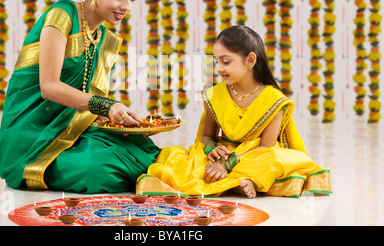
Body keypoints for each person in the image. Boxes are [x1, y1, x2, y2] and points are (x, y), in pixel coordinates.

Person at [0, 0, 161, 193]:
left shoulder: (105, 39)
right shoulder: (62, 15)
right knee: (97, 169)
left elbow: (85, 99)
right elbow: (49, 87)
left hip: (70, 126)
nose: (126, 7)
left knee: (144, 148)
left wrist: (115, 118)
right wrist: (107, 106)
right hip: (30, 135)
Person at [137, 25, 332, 198]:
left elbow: (266, 147)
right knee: (174, 157)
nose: (219, 69)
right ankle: (240, 183)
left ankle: (241, 180)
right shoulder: (216, 94)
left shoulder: (274, 99)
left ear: (250, 60)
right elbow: (207, 136)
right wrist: (211, 149)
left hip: (254, 155)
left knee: (276, 159)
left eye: (226, 62)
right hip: (224, 153)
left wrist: (228, 163)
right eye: (216, 62)